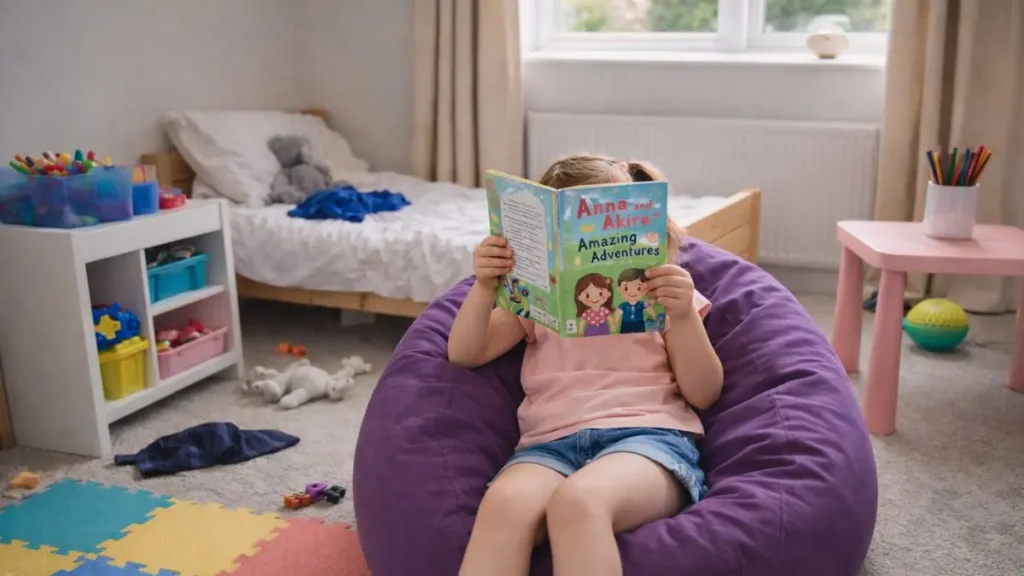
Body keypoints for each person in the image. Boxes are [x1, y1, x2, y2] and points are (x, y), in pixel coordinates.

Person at [448, 154, 723, 576]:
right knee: (503, 507)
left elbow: (704, 392)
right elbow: (465, 353)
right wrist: (485, 286)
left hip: (646, 438)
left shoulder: (663, 294)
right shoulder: (535, 301)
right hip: (548, 445)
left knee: (579, 503)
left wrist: (683, 314)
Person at [614, 267, 652, 334]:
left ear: (646, 288)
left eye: (638, 288)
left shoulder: (642, 304)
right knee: (624, 335)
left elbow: (650, 309)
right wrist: (615, 324)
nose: (632, 292)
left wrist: (655, 317)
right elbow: (617, 315)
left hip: (639, 323)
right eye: (626, 288)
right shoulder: (623, 305)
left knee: (640, 335)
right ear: (619, 289)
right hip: (626, 323)